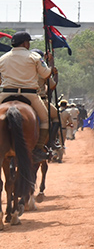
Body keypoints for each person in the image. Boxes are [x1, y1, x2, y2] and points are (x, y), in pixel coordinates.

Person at [0, 31, 57, 160]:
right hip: (29, 94)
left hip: (6, 93)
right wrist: (50, 63)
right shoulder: (35, 57)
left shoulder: (2, 58)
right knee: (45, 120)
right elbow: (46, 75)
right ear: (25, 43)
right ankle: (38, 148)